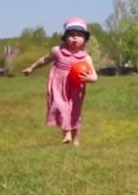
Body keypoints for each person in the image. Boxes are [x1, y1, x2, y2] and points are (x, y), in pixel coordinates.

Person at [22, 17, 98, 146]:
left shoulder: (86, 57)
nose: (75, 38)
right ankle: (66, 132)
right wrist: (32, 68)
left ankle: (76, 140)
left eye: (79, 35)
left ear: (85, 39)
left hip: (76, 86)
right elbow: (44, 60)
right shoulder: (57, 51)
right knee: (60, 106)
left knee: (75, 113)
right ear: (65, 37)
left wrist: (91, 79)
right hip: (58, 84)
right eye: (71, 35)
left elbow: (95, 76)